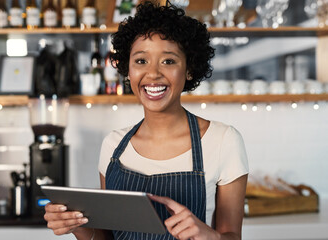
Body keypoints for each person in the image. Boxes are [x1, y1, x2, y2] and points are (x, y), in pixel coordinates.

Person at [44, 1, 249, 240]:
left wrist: (210, 236)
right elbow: (106, 236)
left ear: (190, 69)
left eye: (168, 61)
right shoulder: (113, 146)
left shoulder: (223, 140)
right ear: (128, 70)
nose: (153, 74)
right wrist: (77, 225)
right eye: (141, 61)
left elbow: (231, 235)